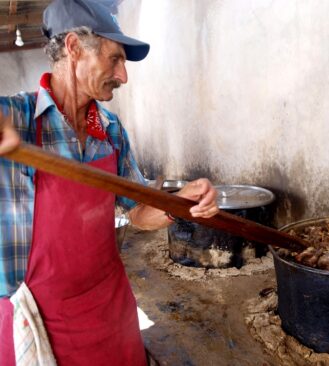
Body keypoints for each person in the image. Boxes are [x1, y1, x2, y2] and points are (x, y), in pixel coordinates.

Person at [0, 0, 219, 365]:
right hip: (37, 318)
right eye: (114, 59)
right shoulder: (17, 118)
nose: (123, 75)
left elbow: (137, 213)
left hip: (109, 309)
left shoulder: (111, 132)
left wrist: (179, 203)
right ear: (73, 48)